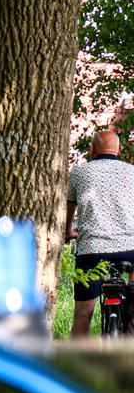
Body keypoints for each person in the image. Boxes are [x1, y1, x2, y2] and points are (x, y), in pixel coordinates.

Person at [68, 127, 134, 335]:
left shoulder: (79, 172)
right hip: (131, 249)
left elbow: (69, 210)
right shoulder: (132, 172)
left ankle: (76, 365)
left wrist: (67, 232)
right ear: (120, 149)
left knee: (83, 313)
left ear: (92, 149)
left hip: (92, 251)